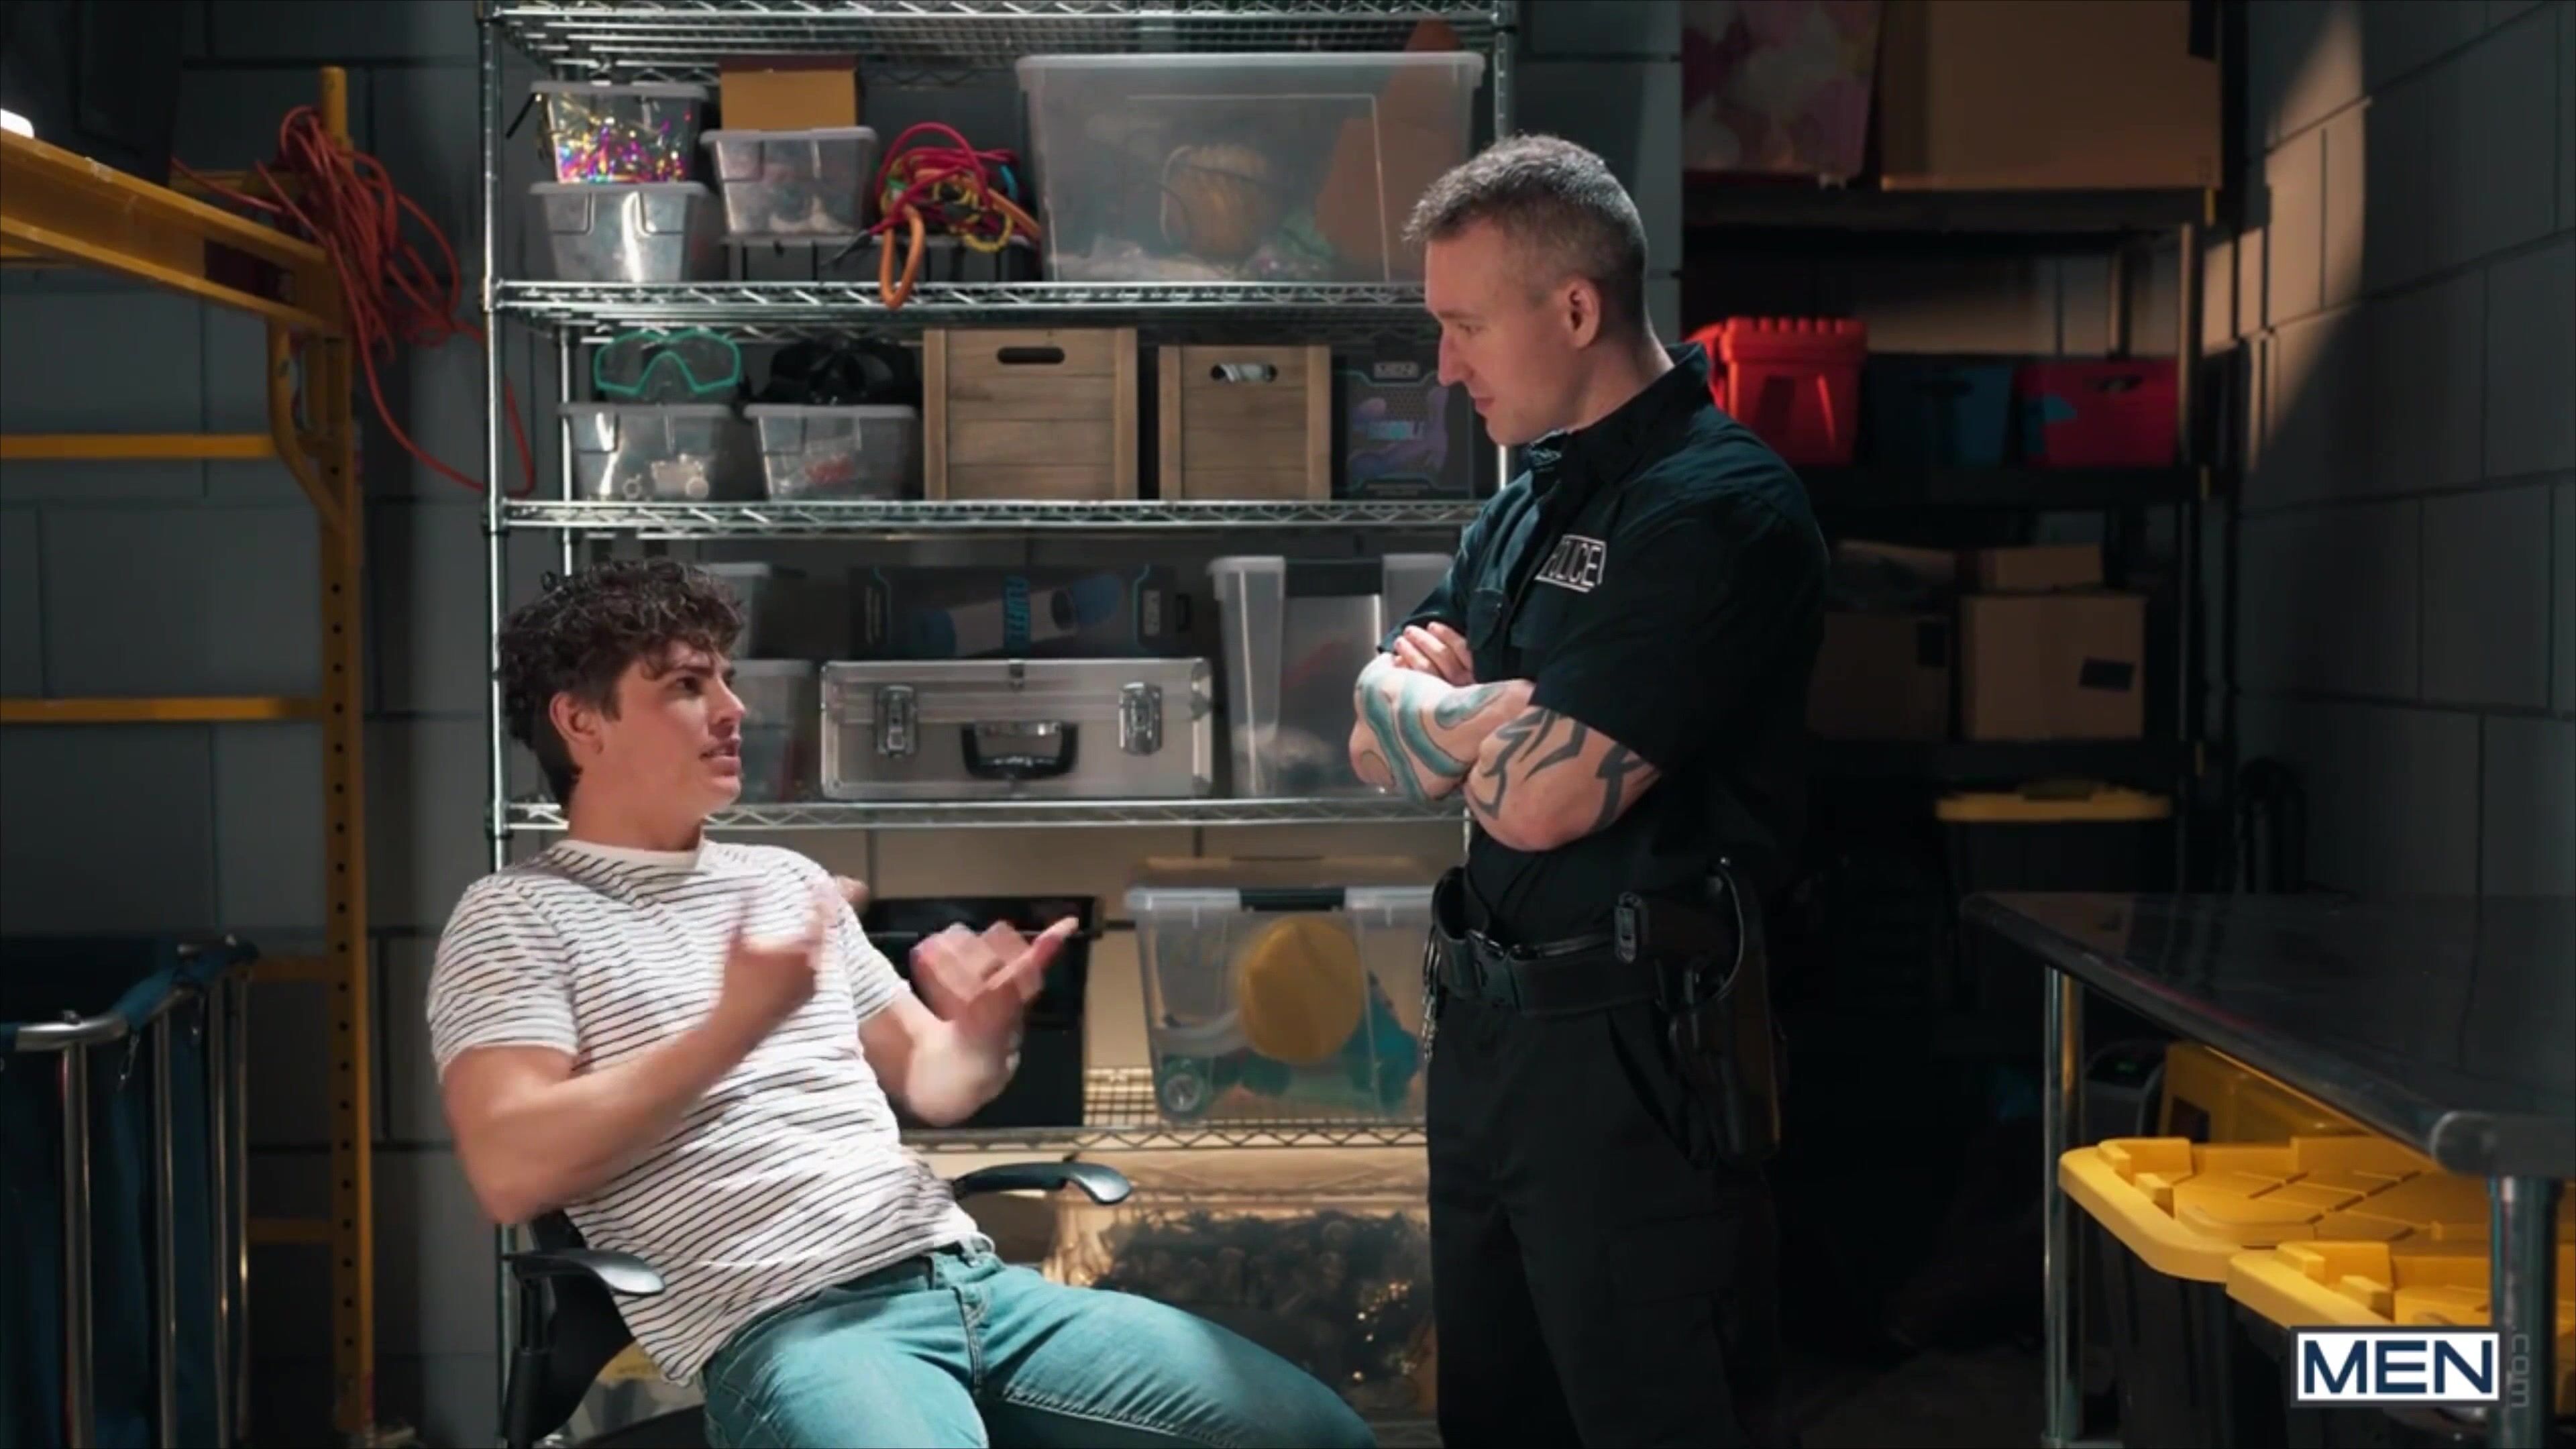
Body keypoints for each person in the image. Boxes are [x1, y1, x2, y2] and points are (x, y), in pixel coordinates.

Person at [430, 558, 1378, 1449]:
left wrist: (987, 1030)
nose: (733, 708)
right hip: (787, 1327)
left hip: (973, 1286)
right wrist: (733, 1028)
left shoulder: (785, 880)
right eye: (686, 685)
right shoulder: (519, 915)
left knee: (1318, 1435)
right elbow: (510, 1170)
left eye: (726, 678)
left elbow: (936, 1078)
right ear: (581, 722)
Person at [1346, 136, 1827, 1448]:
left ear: (1574, 309)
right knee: (1496, 1421)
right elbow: (1372, 741)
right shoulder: (1524, 507)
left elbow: (1540, 805)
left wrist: (1445, 719)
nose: (1445, 366)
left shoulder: (1716, 510)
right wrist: (1500, 714)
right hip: (1486, 1044)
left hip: (1636, 1062)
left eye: (1464, 326)